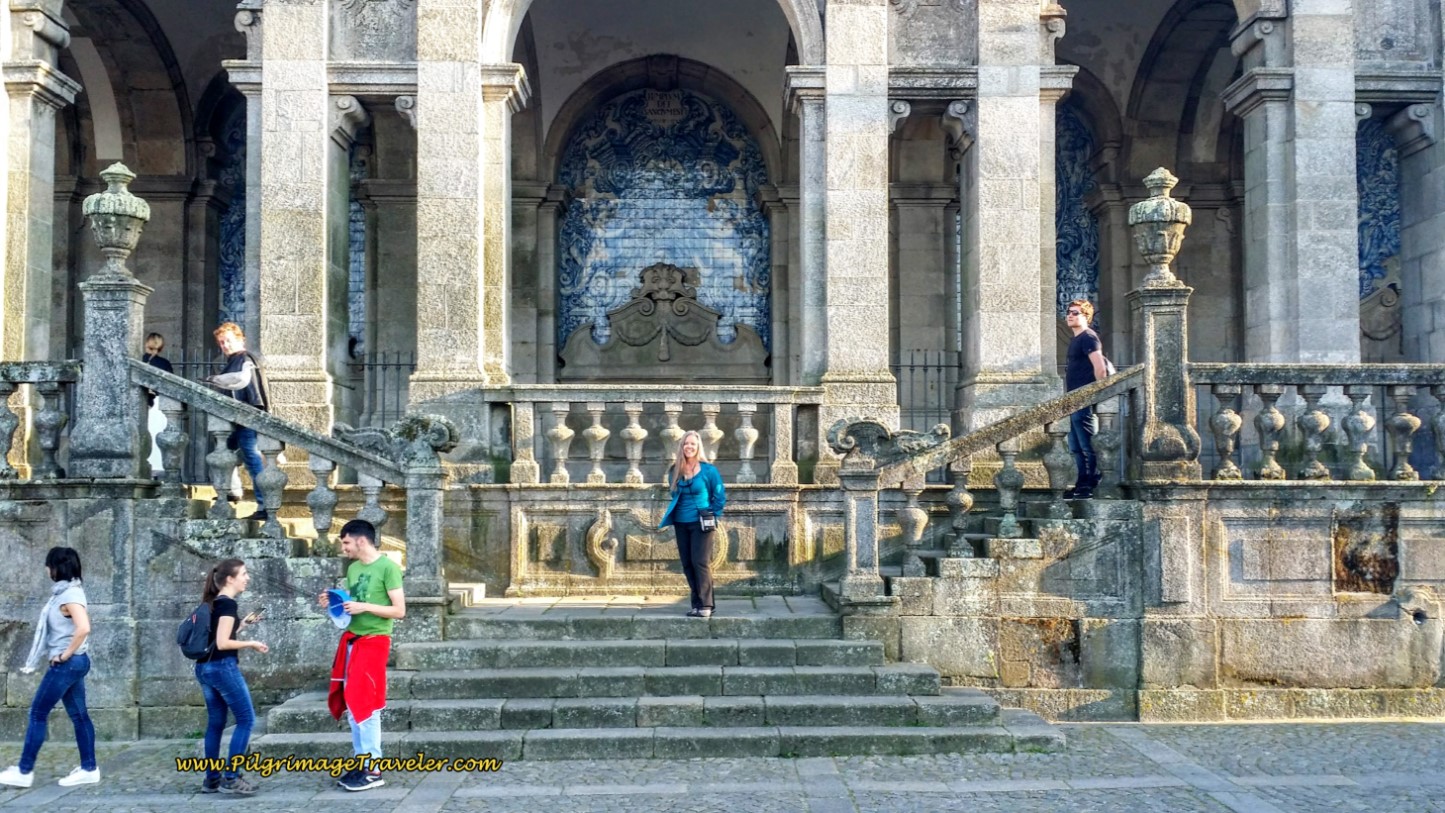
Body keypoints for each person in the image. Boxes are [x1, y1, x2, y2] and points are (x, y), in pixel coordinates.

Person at [318, 519, 404, 792]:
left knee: (365, 702)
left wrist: (363, 605)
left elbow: (399, 611)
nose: (343, 548)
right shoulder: (353, 569)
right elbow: (349, 608)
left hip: (375, 640)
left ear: (361, 540)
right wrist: (332, 601)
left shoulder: (388, 568)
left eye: (345, 542)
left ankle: (374, 769)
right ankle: (362, 760)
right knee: (353, 702)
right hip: (352, 639)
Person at [0, 548, 98, 789]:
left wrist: (64, 655)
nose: (46, 570)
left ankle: (24, 771)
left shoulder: (70, 595)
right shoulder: (65, 593)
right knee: (79, 715)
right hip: (75, 663)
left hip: (67, 664)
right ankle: (89, 769)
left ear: (57, 567)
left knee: (37, 713)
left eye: (48, 565)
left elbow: (83, 627)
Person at [193, 558, 268, 795]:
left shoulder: (215, 603)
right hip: (222, 667)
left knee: (216, 723)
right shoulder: (227, 605)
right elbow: (223, 642)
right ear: (230, 579)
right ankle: (232, 776)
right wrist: (252, 643)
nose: (247, 578)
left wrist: (243, 624)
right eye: (244, 573)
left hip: (205, 667)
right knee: (246, 719)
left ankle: (211, 779)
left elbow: (219, 634)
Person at [658, 431, 727, 618]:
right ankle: (696, 604)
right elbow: (673, 494)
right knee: (687, 563)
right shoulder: (675, 470)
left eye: (693, 444)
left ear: (698, 447)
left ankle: (706, 604)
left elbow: (719, 495)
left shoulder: (708, 470)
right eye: (686, 444)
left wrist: (712, 514)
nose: (689, 447)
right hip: (681, 522)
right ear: (681, 447)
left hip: (702, 523)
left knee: (700, 562)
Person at [205, 322, 270, 520]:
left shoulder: (245, 359)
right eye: (222, 342)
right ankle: (233, 490)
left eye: (229, 341)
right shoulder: (233, 361)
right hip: (234, 420)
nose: (225, 345)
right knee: (223, 453)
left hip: (246, 419)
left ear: (241, 340)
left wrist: (252, 414)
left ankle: (265, 506)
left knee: (252, 459)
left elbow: (253, 392)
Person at [1064, 298, 1110, 499]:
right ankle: (1081, 483)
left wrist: (1097, 393)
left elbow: (1100, 368)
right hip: (1075, 398)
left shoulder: (1089, 337)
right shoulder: (1077, 339)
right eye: (1069, 312)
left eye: (1076, 313)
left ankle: (1091, 483)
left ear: (1086, 317)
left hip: (1084, 398)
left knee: (1087, 444)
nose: (1070, 315)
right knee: (1075, 447)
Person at [143, 332, 174, 475]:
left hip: (142, 403)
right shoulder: (164, 364)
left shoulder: (139, 360)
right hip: (158, 404)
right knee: (158, 437)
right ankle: (157, 469)